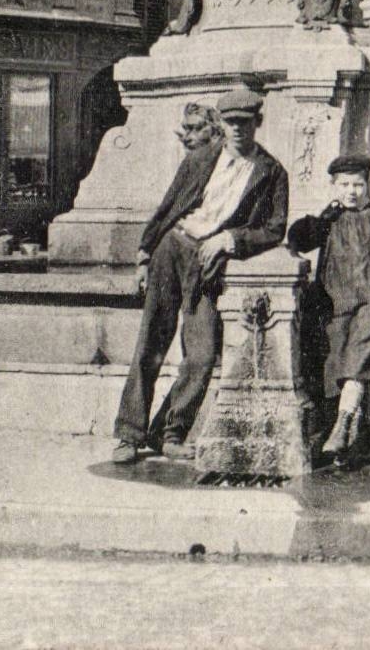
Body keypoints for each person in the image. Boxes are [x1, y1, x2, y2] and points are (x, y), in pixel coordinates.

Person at [111, 87, 288, 466]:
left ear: (258, 122)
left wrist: (231, 239)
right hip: (173, 248)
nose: (238, 129)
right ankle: (129, 433)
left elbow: (275, 229)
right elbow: (169, 205)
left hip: (208, 261)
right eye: (231, 122)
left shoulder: (271, 172)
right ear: (222, 125)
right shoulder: (201, 158)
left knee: (203, 354)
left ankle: (168, 432)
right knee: (151, 343)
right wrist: (144, 254)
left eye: (245, 122)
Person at [287, 153, 370, 466]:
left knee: (356, 363)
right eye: (344, 184)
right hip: (337, 303)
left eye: (358, 184)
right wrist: (314, 223)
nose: (352, 191)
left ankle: (342, 425)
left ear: (367, 185)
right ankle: (351, 437)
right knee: (342, 368)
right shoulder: (330, 217)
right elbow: (300, 241)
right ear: (333, 186)